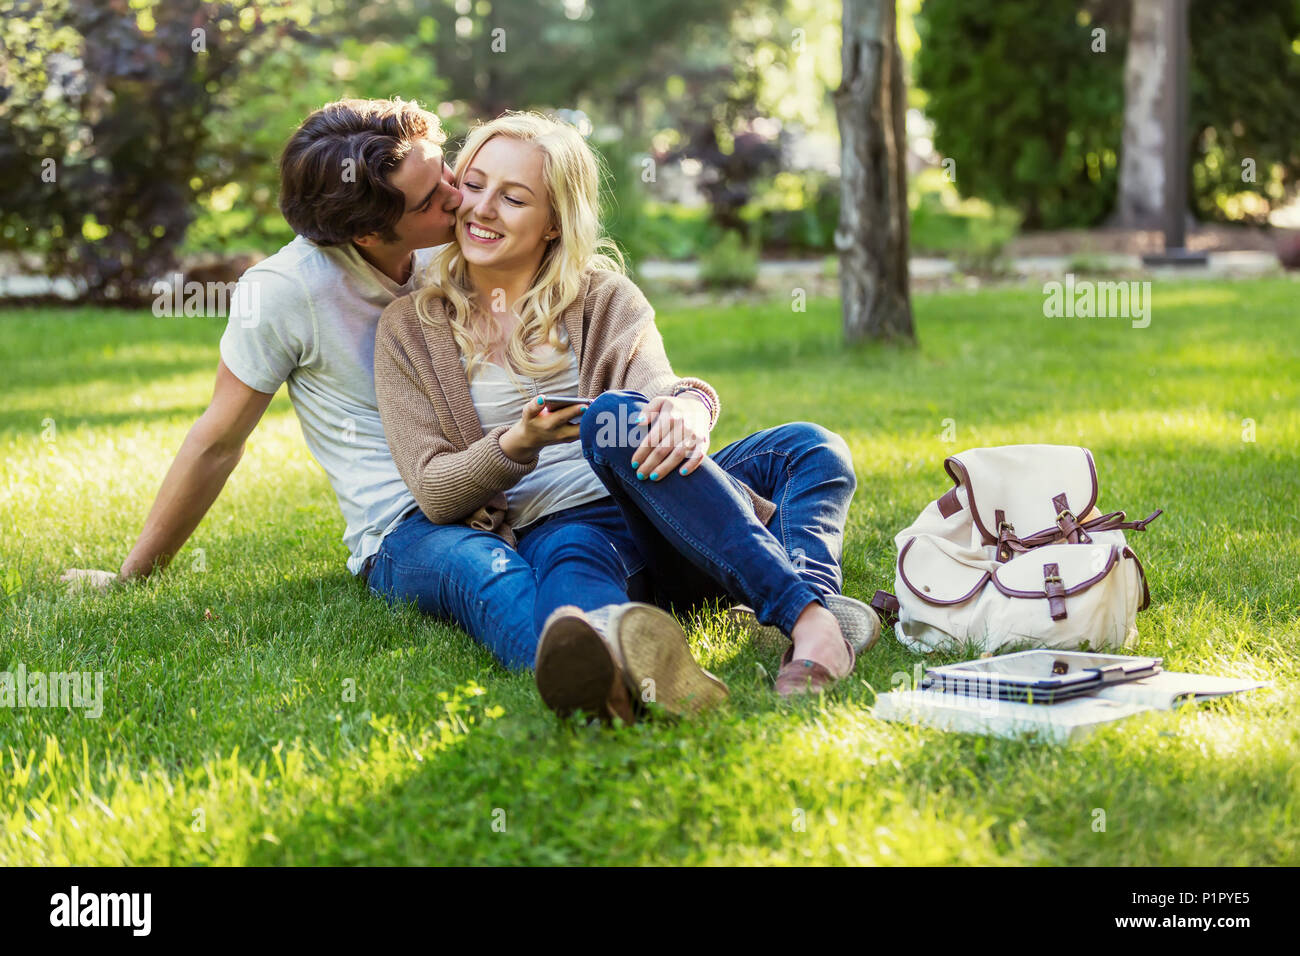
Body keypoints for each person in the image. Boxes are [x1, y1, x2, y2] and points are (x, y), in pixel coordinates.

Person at [374, 112, 880, 724]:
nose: (481, 209)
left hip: (668, 501)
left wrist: (689, 408)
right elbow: (432, 487)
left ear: (555, 220)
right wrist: (519, 441)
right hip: (562, 527)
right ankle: (651, 661)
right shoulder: (409, 328)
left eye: (512, 198)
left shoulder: (602, 297)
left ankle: (804, 614)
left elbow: (655, 391)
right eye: (474, 185)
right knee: (574, 593)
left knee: (805, 446)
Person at [60, 97, 545, 669]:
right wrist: (131, 576)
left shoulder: (453, 242)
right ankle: (591, 671)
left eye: (444, 168)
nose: (459, 196)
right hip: (409, 525)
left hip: (507, 483)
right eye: (432, 199)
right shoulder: (286, 292)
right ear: (367, 233)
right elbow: (217, 441)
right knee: (485, 573)